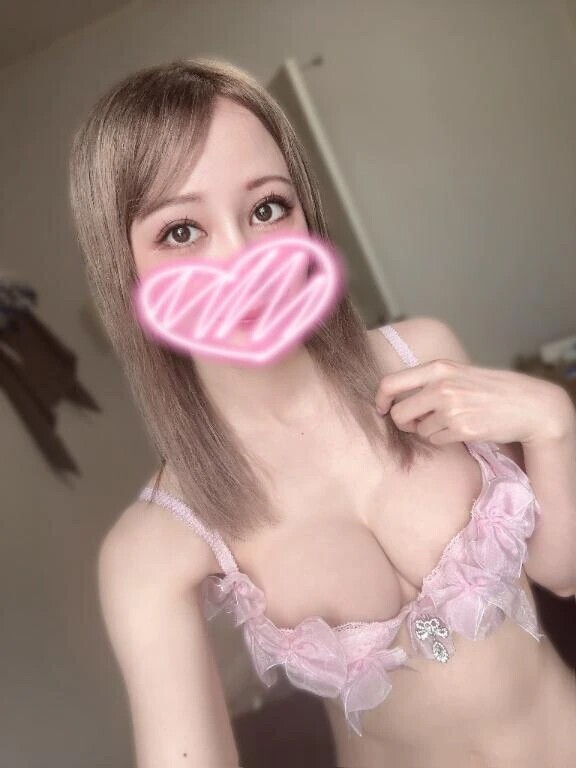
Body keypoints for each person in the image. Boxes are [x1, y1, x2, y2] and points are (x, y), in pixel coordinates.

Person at [68, 58, 576, 768]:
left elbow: (562, 573)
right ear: (127, 274)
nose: (243, 262)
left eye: (266, 209)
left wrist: (554, 422)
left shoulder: (423, 355)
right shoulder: (153, 547)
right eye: (181, 231)